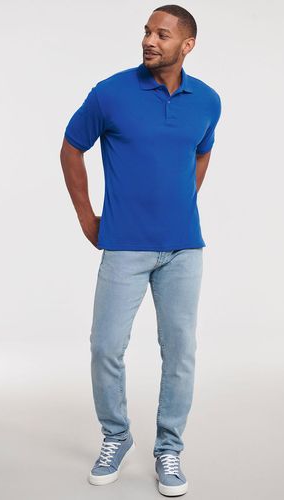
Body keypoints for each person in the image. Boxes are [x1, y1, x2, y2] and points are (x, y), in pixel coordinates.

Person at [60, 4, 221, 496]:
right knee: (105, 347)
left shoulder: (207, 100)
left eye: (163, 34)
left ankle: (169, 447)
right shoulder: (110, 93)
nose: (150, 40)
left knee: (180, 352)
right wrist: (87, 218)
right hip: (124, 247)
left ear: (187, 45)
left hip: (184, 250)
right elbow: (71, 147)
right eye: (147, 31)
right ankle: (117, 435)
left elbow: (202, 152)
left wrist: (181, 203)